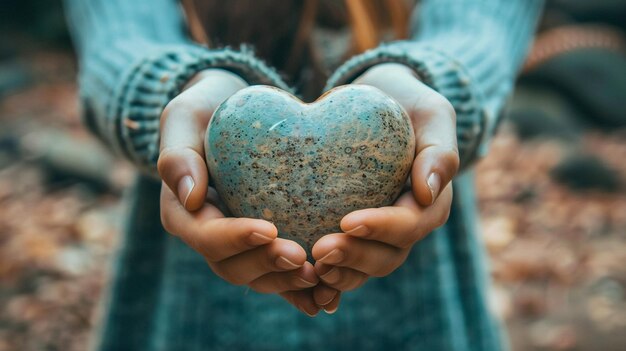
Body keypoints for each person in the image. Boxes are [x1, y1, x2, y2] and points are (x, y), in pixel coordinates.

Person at [64, 0, 543, 349]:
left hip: (420, 282)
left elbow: (483, 22)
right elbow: (116, 32)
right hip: (183, 285)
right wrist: (177, 93)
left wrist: (428, 85)